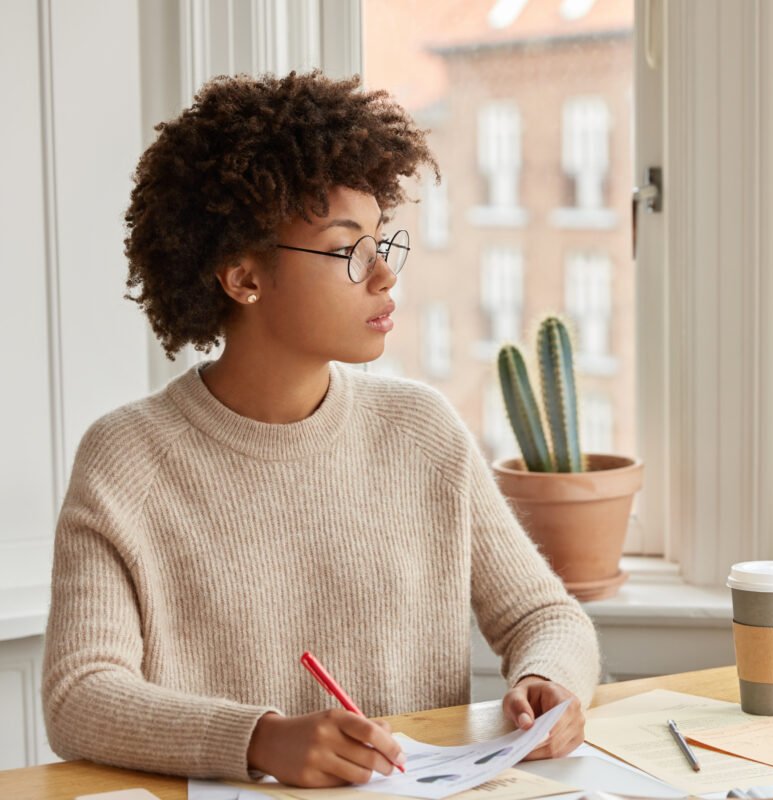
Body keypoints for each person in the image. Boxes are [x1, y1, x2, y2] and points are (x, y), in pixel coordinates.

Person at [40, 70, 600, 788]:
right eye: (347, 251)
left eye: (381, 243)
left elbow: (546, 615)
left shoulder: (419, 431)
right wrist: (257, 740)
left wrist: (548, 680)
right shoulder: (127, 459)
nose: (384, 277)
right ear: (243, 278)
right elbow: (80, 695)